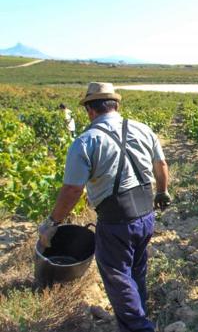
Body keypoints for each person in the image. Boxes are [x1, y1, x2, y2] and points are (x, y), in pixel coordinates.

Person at [38, 82, 172, 332]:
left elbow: (72, 190)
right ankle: (136, 317)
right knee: (136, 271)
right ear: (116, 106)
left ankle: (139, 327)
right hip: (146, 216)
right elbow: (161, 165)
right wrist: (162, 192)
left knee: (117, 275)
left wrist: (52, 222)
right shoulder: (143, 129)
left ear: (90, 110)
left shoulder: (85, 141)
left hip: (116, 221)